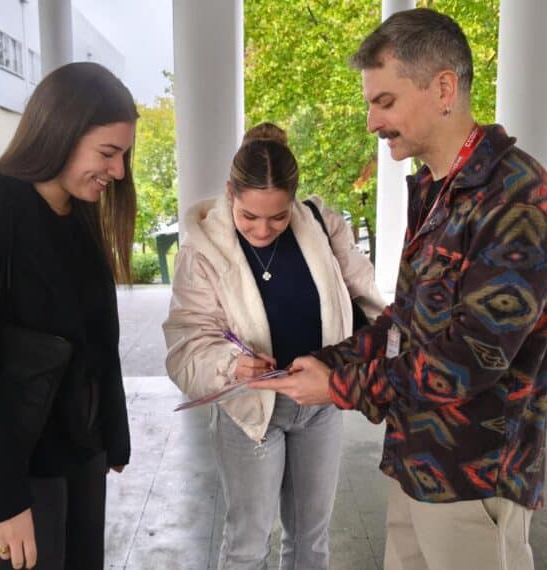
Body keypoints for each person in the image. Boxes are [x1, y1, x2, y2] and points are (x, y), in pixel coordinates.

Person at [251, 9, 547, 570]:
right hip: (415, 465)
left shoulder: (517, 196)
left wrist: (343, 385)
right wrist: (318, 362)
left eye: (385, 101)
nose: (372, 121)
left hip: (475, 482)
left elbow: (472, 360)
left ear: (443, 88)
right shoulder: (436, 190)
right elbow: (406, 325)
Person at [0, 62, 136, 570]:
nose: (119, 171)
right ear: (58, 132)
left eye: (124, 155)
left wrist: (111, 434)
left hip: (81, 458)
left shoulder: (79, 217)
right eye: (108, 153)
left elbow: (96, 343)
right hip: (18, 467)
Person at [163, 122, 384, 569]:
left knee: (311, 540)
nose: (263, 229)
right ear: (231, 192)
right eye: (249, 216)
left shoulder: (322, 225)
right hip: (251, 412)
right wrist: (232, 365)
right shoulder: (203, 249)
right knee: (248, 545)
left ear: (294, 199)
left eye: (278, 216)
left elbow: (371, 301)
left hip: (321, 403)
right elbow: (187, 340)